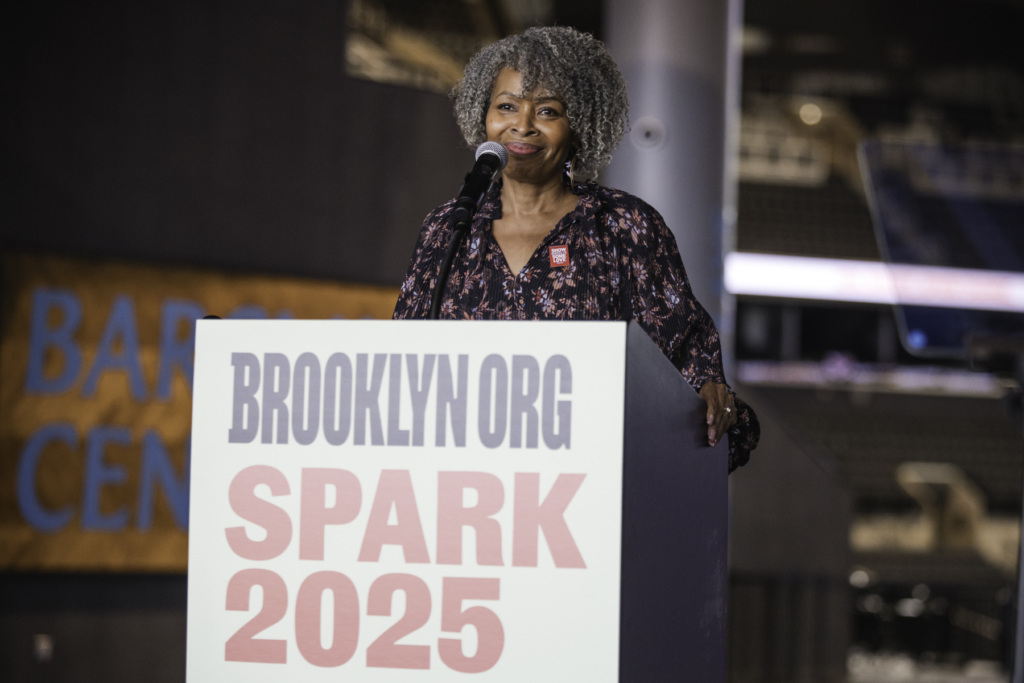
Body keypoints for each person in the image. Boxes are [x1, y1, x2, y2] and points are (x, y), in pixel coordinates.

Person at [393, 26, 758, 470]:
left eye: (547, 111)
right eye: (506, 106)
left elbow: (689, 377)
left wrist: (711, 398)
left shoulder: (624, 226)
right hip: (464, 486)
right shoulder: (448, 228)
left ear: (580, 125)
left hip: (587, 486)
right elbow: (402, 369)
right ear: (482, 116)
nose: (521, 126)